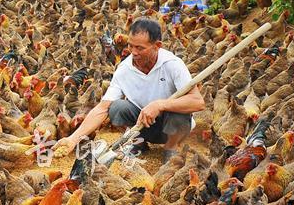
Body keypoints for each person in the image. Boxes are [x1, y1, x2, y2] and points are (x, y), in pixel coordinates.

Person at [53, 17, 204, 162]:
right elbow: (102, 108)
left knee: (179, 112)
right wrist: (73, 139)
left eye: (140, 48)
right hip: (143, 124)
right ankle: (139, 141)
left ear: (157, 46)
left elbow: (198, 102)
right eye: (131, 46)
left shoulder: (172, 64)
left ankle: (171, 148)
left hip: (172, 125)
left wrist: (160, 105)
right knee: (117, 108)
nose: (134, 52)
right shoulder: (124, 69)